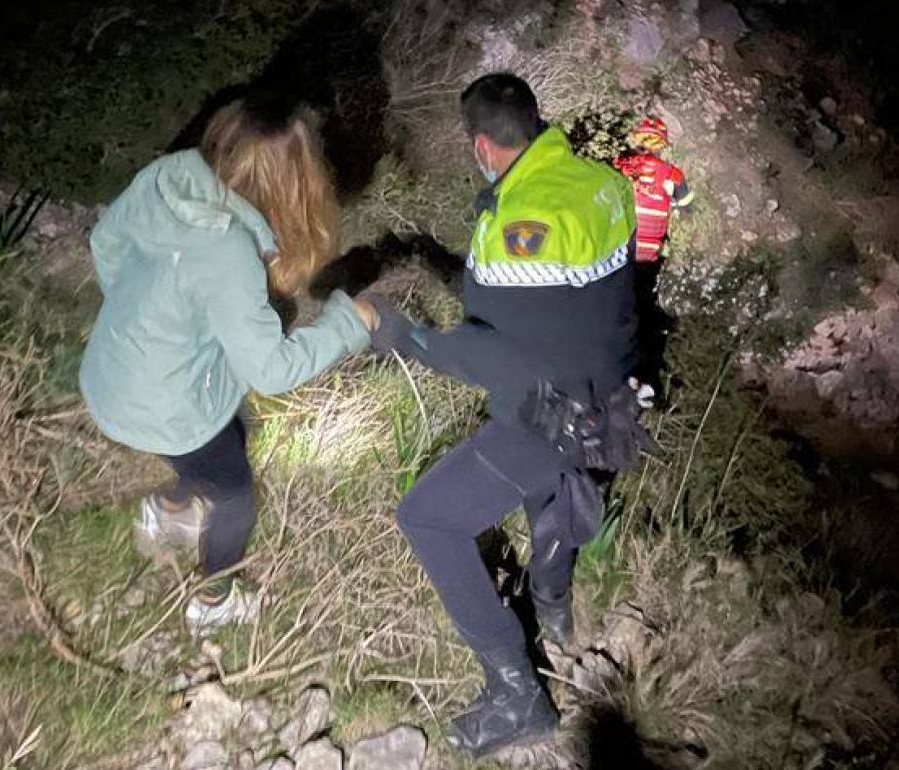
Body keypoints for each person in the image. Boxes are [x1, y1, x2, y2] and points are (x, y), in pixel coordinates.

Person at [366, 73, 641, 755]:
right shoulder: (605, 186)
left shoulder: (510, 228)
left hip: (551, 414)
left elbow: (496, 355)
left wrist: (407, 337)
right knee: (551, 502)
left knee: (426, 516)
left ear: (483, 145)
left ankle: (517, 695)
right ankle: (553, 613)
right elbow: (573, 303)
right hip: (610, 403)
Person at [79, 90, 379, 636]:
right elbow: (273, 370)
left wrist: (143, 317)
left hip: (109, 368)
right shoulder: (228, 252)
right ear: (292, 182)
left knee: (234, 425)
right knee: (236, 494)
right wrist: (348, 323)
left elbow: (105, 240)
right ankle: (214, 599)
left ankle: (169, 513)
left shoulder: (170, 177)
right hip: (158, 402)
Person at [613, 116, 694, 398]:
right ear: (661, 145)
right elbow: (687, 206)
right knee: (643, 311)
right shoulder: (671, 175)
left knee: (616, 310)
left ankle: (621, 372)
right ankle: (643, 376)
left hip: (618, 255)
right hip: (649, 258)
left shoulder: (619, 167)